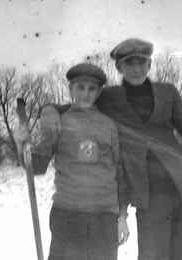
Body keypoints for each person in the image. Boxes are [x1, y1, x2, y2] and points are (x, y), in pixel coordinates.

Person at [40, 38, 182, 260]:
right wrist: (48, 110)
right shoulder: (109, 97)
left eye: (141, 62)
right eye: (129, 63)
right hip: (149, 193)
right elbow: (76, 104)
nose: (136, 68)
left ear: (150, 65)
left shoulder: (168, 92)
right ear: (119, 68)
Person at [15, 63, 129, 260]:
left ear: (99, 92)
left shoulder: (109, 125)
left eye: (92, 88)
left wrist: (122, 217)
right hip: (67, 214)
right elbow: (36, 167)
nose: (86, 94)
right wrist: (20, 142)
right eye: (80, 87)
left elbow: (119, 173)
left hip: (104, 217)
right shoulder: (59, 122)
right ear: (70, 89)